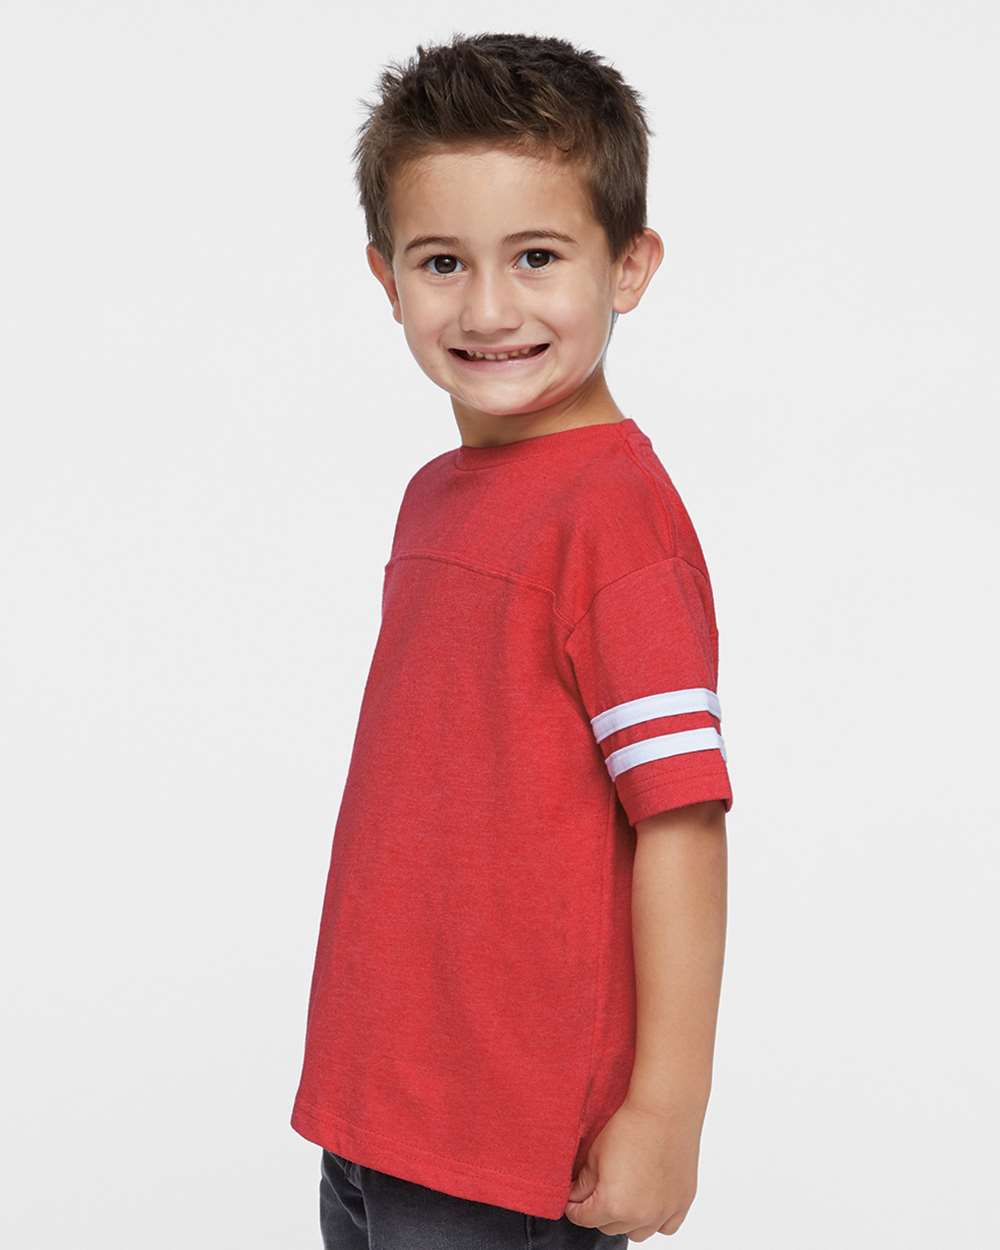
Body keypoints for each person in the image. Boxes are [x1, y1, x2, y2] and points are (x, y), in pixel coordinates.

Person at [291, 31, 734, 1248]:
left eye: (536, 256)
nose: (487, 308)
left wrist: (666, 1108)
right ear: (386, 277)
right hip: (380, 1108)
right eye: (443, 261)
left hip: (508, 1137)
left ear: (628, 265)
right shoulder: (437, 495)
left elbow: (681, 820)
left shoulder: (613, 517)